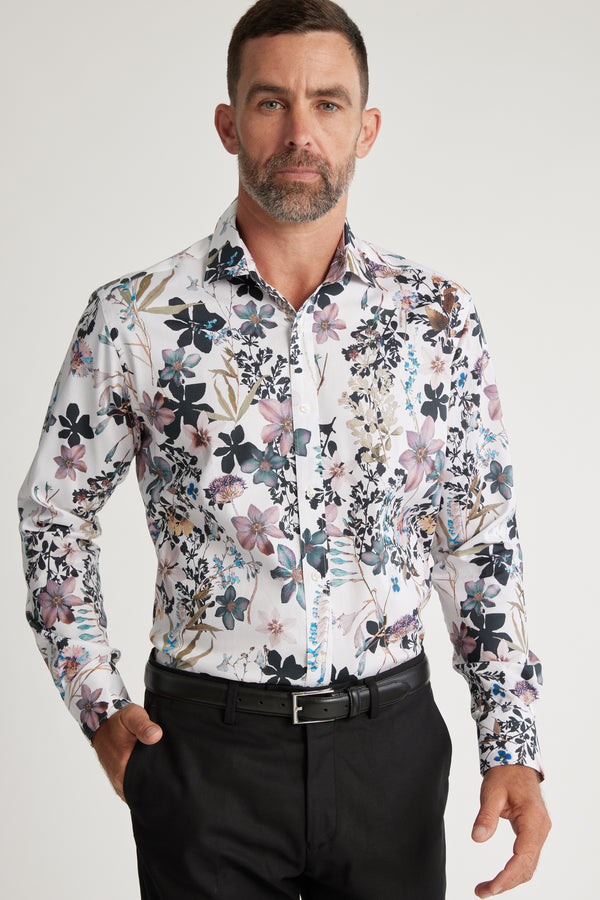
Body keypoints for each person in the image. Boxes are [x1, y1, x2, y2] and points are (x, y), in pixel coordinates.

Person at [18, 1, 550, 898]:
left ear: (366, 128)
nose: (301, 131)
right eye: (271, 102)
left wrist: (513, 744)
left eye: (329, 104)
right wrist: (99, 704)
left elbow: (478, 536)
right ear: (228, 122)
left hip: (391, 747)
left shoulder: (438, 321)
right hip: (207, 759)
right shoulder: (135, 319)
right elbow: (54, 512)